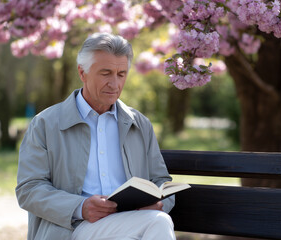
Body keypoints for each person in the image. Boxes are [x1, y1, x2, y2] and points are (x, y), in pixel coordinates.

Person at [16, 32, 176, 240]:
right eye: (106, 73)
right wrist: (80, 207)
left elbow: (161, 180)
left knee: (150, 223)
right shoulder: (45, 124)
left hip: (132, 222)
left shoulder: (140, 124)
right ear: (82, 73)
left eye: (121, 74)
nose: (114, 84)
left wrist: (159, 203)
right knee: (158, 222)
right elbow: (29, 189)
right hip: (73, 228)